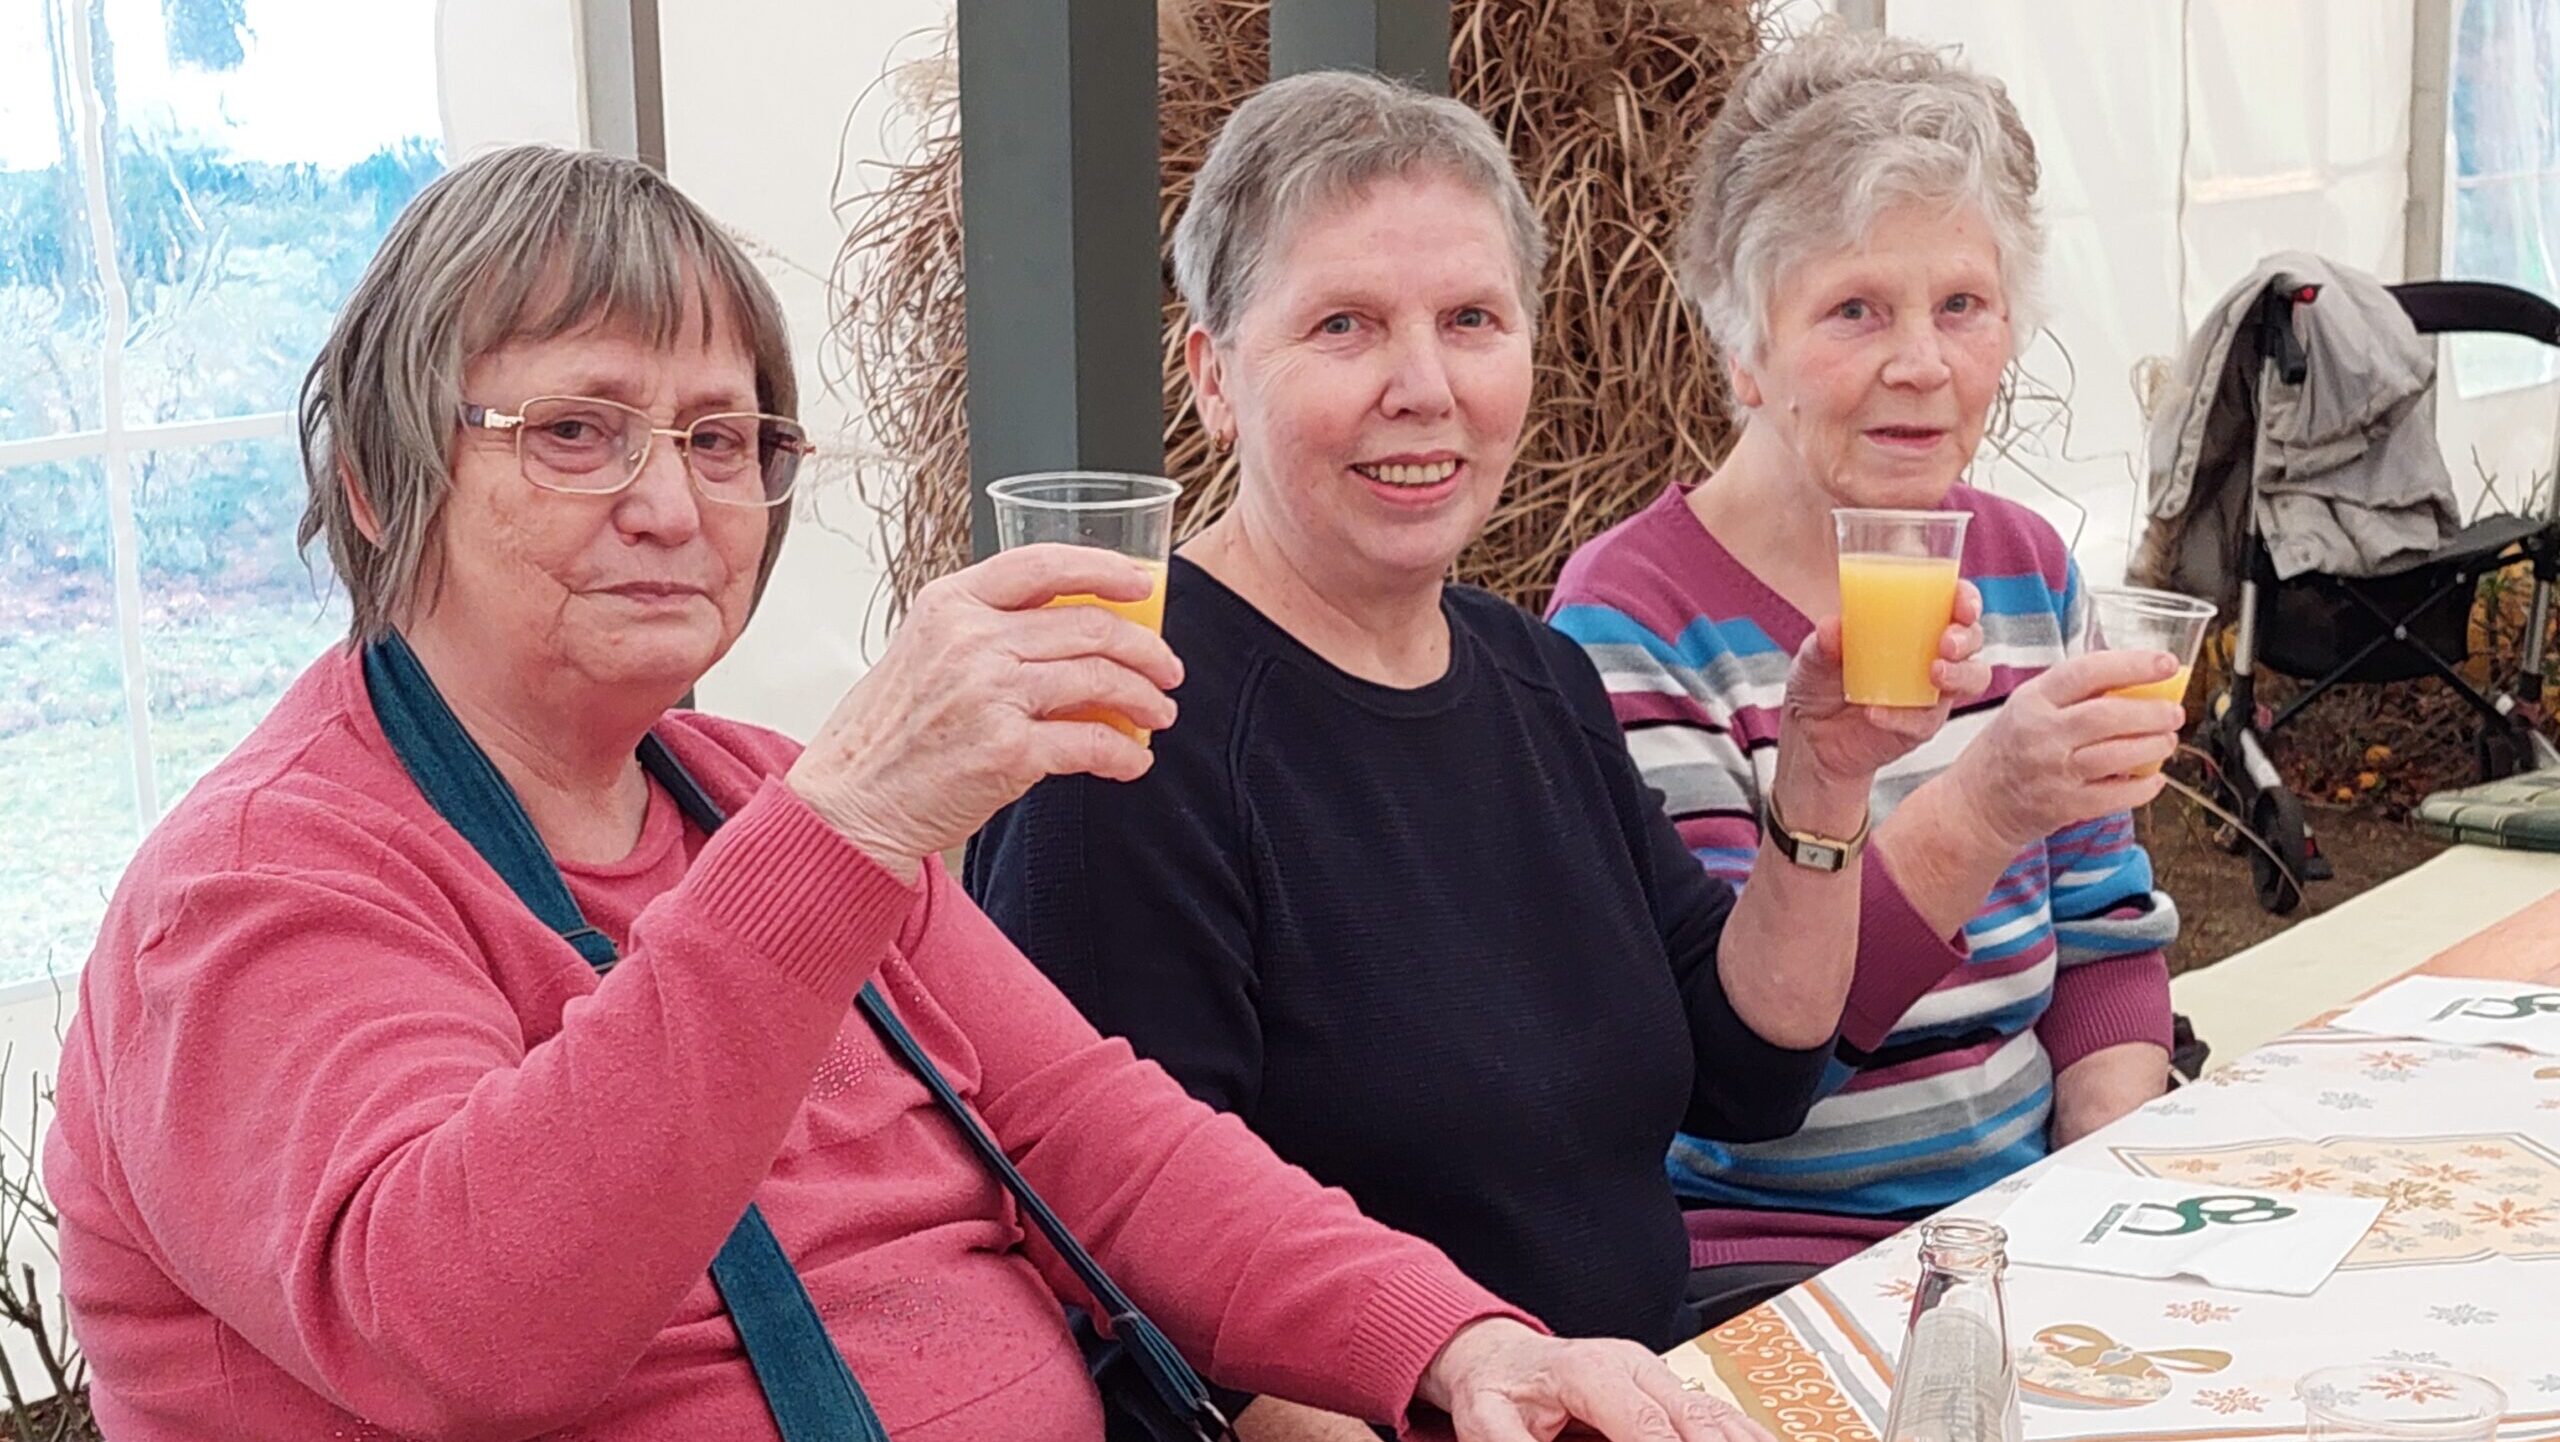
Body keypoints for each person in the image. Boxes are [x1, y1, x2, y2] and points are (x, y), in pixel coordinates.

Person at [41, 144, 1770, 1442]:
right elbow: (464, 1325)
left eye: (723, 440)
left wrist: (1454, 1339)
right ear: (368, 472)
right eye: (579, 429)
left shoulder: (737, 797)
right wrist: (851, 822)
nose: (672, 500)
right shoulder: (269, 876)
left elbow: (1106, 1132)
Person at [966, 71, 1989, 1438]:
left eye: (1471, 321)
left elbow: (1751, 1069)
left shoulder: (1534, 674)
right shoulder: (1123, 736)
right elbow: (1126, 1286)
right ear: (1213, 375)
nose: (1423, 386)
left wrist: (1823, 778)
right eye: (1344, 327)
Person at [1546, 28, 2187, 1318]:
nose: (1923, 364)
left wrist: (2103, 1191)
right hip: (1750, 1255)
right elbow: (1746, 1080)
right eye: (1855, 310)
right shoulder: (1629, 624)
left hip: (2012, 1221)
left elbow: (2107, 937)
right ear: (1744, 348)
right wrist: (1988, 801)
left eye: (1963, 304)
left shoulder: (2024, 564)